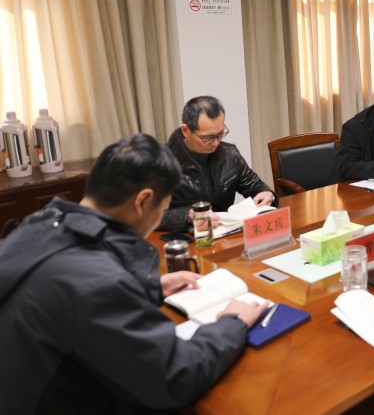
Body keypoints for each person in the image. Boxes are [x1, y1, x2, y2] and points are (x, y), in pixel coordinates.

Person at [0, 134, 271, 413]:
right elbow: (174, 376)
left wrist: (148, 285)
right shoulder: (98, 283)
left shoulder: (42, 223)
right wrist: (231, 323)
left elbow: (66, 292)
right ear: (143, 201)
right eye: (163, 209)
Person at [159, 96, 276, 232]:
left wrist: (266, 193)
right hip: (185, 238)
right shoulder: (160, 162)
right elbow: (146, 215)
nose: (216, 143)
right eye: (208, 138)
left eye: (220, 134)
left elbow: (253, 185)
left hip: (226, 233)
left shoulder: (230, 154)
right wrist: (188, 216)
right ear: (186, 131)